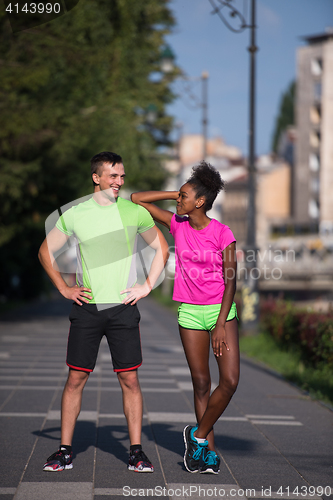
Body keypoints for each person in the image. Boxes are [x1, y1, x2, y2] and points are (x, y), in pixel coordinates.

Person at [38, 151, 169, 473]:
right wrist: (64, 288)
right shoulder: (75, 214)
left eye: (122, 176)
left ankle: (136, 451)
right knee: (75, 379)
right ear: (96, 177)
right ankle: (65, 450)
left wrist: (147, 286)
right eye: (113, 176)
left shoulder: (134, 211)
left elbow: (161, 248)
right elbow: (45, 251)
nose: (119, 182)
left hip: (124, 308)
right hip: (87, 308)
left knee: (130, 381)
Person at [131, 161, 239, 475]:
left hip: (221, 313)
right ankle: (206, 453)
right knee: (202, 383)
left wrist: (220, 323)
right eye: (179, 196)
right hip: (190, 312)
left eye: (184, 196)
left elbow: (231, 280)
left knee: (229, 382)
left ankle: (197, 435)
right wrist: (176, 193)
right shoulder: (178, 224)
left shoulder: (222, 232)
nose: (178, 201)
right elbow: (138, 198)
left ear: (201, 202)